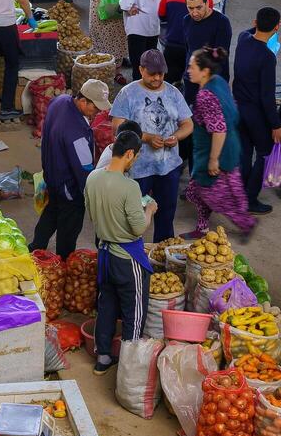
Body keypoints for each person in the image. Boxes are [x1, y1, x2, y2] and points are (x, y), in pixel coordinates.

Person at [87, 127, 155, 373]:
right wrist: (149, 210)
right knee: (134, 311)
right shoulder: (129, 187)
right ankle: (129, 367)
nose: (134, 161)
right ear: (128, 154)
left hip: (105, 253)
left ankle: (103, 357)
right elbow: (138, 229)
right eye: (135, 157)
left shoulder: (93, 177)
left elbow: (92, 212)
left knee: (106, 305)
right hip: (127, 259)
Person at [110, 49, 192, 242]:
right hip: (138, 168)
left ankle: (162, 254)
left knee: (166, 213)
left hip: (169, 166)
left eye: (161, 74)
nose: (157, 78)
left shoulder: (173, 93)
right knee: (133, 215)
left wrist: (176, 137)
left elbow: (188, 124)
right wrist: (146, 137)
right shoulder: (128, 93)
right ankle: (131, 255)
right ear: (140, 70)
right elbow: (117, 127)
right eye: (152, 73)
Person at [183, 47, 255, 238]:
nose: (188, 70)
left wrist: (214, 160)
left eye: (192, 67)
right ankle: (203, 226)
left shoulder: (205, 96)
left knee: (216, 194)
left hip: (215, 152)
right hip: (230, 147)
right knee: (201, 190)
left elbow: (218, 129)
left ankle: (246, 222)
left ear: (205, 71)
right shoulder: (219, 82)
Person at [33, 80, 110, 257]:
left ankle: (35, 250)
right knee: (69, 226)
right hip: (70, 188)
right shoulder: (77, 132)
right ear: (83, 101)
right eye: (95, 108)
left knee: (50, 213)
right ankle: (64, 260)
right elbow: (84, 171)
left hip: (51, 175)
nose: (98, 112)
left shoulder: (60, 101)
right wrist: (90, 196)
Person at [232, 8, 281, 213]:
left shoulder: (243, 39)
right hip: (256, 113)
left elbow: (252, 30)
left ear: (255, 22)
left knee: (244, 153)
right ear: (277, 27)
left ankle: (239, 193)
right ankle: (250, 199)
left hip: (239, 108)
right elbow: (267, 96)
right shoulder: (267, 57)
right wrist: (276, 124)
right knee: (264, 153)